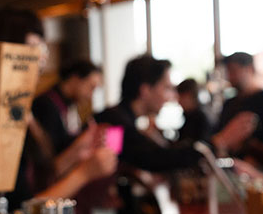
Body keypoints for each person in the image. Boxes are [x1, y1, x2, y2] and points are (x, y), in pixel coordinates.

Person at [0, 9, 116, 209]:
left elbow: (45, 172)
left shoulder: (17, 109)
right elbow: (21, 209)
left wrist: (79, 150)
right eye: (33, 49)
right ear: (5, 55)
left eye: (41, 49)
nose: (41, 59)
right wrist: (85, 173)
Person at [94, 55, 252, 173]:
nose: (171, 97)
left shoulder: (120, 118)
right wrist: (218, 142)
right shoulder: (114, 123)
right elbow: (151, 159)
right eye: (166, 88)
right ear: (145, 90)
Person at [215, 52, 263, 156]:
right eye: (228, 71)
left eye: (233, 70)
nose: (229, 76)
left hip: (260, 167)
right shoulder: (229, 104)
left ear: (250, 69)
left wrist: (252, 147)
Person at [174, 78, 212, 145]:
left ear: (190, 96)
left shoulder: (200, 119)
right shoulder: (188, 116)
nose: (179, 102)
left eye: (181, 97)